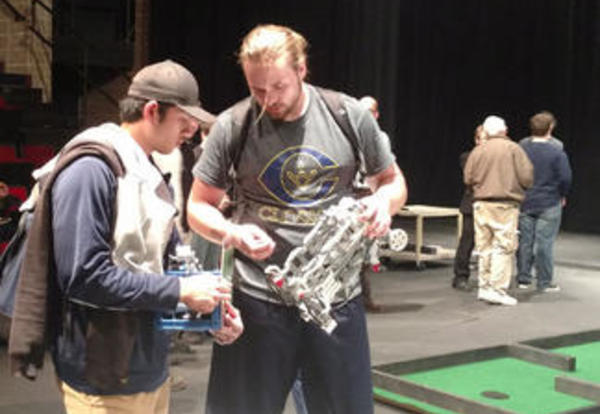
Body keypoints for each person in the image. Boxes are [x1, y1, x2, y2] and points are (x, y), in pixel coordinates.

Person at [187, 24, 407, 414]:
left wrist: (383, 203)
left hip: (336, 300)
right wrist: (232, 232)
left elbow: (393, 181)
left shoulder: (348, 115)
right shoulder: (232, 125)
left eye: (279, 87)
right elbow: (198, 207)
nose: (268, 99)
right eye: (257, 89)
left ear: (302, 70)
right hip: (257, 301)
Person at [8, 60, 243, 414]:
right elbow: (83, 275)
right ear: (152, 111)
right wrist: (181, 292)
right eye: (185, 121)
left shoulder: (142, 167)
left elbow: (164, 265)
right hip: (103, 376)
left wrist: (210, 310)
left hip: (145, 366)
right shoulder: (90, 170)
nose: (192, 132)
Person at [464, 115, 533, 306]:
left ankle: (484, 287)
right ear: (505, 130)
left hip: (480, 204)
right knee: (503, 246)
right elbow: (527, 177)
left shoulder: (478, 151)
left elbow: (468, 178)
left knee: (484, 247)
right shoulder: (514, 149)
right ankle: (497, 290)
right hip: (505, 204)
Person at [516, 111, 572, 292]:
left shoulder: (522, 147)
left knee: (525, 241)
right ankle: (544, 282)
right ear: (551, 128)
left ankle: (523, 279)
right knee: (544, 243)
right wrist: (562, 194)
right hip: (549, 202)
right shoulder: (557, 150)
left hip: (525, 200)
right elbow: (565, 178)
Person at [452, 125, 487, 291]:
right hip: (472, 205)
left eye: (488, 139)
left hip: (490, 205)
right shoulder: (467, 156)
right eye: (482, 139)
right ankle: (460, 276)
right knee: (467, 241)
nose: (485, 142)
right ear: (476, 140)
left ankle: (489, 278)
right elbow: (472, 177)